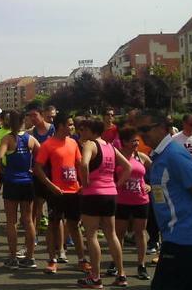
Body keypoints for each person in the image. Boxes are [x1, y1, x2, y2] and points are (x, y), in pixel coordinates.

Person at [135, 109, 192, 290]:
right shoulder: (160, 155)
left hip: (185, 239)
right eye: (139, 130)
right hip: (174, 237)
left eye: (145, 129)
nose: (142, 135)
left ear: (161, 128)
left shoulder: (174, 155)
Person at [76, 119, 131, 289]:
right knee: (111, 234)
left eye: (83, 129)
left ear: (91, 130)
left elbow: (83, 163)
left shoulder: (90, 145)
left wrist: (85, 183)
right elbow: (128, 167)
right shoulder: (110, 147)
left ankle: (95, 277)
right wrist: (116, 184)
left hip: (93, 194)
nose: (81, 132)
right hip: (110, 194)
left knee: (91, 235)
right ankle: (121, 275)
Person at [33, 111, 89, 275]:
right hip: (56, 192)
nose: (72, 127)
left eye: (73, 125)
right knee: (53, 225)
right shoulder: (48, 145)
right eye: (70, 125)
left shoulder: (73, 143)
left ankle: (81, 260)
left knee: (74, 226)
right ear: (60, 126)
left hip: (74, 191)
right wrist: (50, 186)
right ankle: (52, 260)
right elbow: (37, 169)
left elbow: (79, 165)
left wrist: (83, 184)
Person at [0, 110, 39, 270]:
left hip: (12, 181)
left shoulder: (7, 139)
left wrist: (5, 169)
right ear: (23, 121)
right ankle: (30, 257)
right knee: (28, 220)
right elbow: (41, 154)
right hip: (27, 182)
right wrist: (34, 168)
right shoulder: (30, 139)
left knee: (11, 221)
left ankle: (13, 257)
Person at [114, 126, 153, 282]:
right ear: (124, 142)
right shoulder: (117, 157)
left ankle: (141, 265)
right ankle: (116, 263)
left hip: (140, 199)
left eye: (137, 140)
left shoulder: (141, 157)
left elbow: (157, 170)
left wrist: (150, 184)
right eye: (133, 141)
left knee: (140, 232)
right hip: (122, 200)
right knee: (119, 233)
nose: (137, 143)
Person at [27, 105, 55, 233]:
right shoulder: (31, 133)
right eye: (30, 116)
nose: (32, 118)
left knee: (54, 205)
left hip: (53, 171)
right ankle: (36, 232)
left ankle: (60, 235)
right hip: (37, 172)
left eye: (35, 115)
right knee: (36, 204)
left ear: (42, 114)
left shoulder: (53, 129)